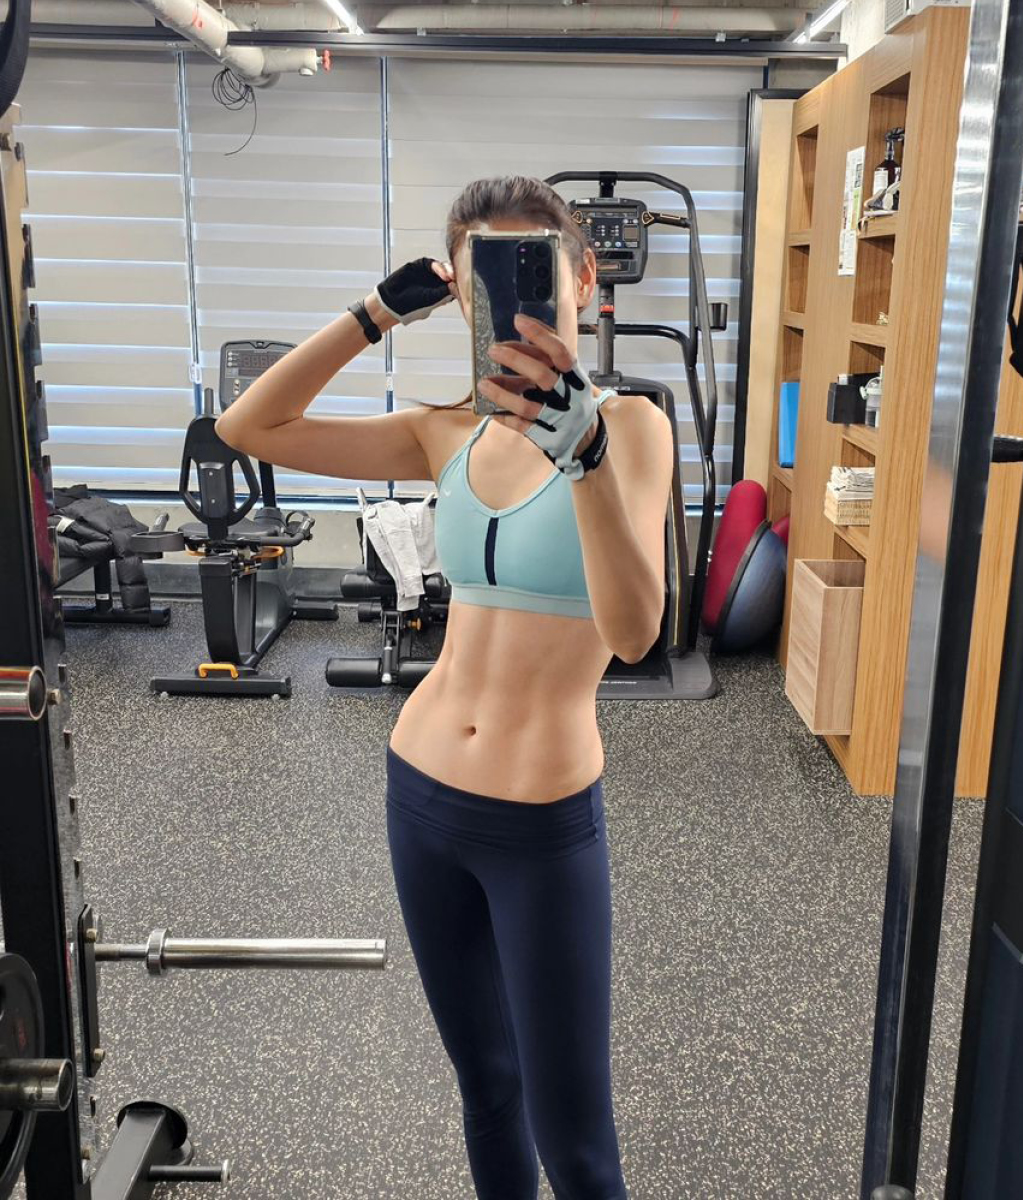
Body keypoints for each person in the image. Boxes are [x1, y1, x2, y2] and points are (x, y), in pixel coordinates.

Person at [215, 175, 674, 1200]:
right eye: (482, 281)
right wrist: (374, 313)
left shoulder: (632, 429)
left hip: (540, 821)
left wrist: (586, 456)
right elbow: (249, 427)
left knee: (577, 1142)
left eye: (532, 269)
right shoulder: (447, 433)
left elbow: (636, 632)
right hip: (420, 795)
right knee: (488, 1090)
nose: (507, 299)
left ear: (583, 279)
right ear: (460, 298)